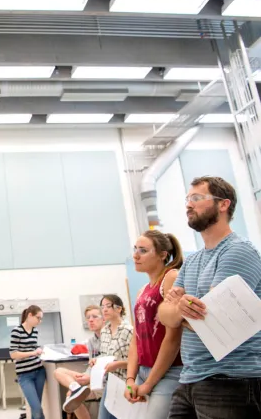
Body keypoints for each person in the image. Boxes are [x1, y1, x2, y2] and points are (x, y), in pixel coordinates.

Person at [158, 176, 261, 419]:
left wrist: (180, 308)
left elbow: (215, 318)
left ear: (223, 204)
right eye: (187, 199)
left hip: (230, 380)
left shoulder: (238, 250)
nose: (188, 205)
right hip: (191, 379)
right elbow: (165, 315)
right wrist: (184, 310)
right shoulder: (192, 260)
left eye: (196, 198)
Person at [123, 230, 184, 419]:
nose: (135, 255)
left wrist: (149, 384)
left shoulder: (171, 277)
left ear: (162, 255)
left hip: (169, 371)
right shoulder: (142, 290)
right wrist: (130, 379)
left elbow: (173, 338)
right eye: (135, 249)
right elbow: (136, 338)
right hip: (144, 370)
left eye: (143, 250)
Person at [54, 305, 104, 417]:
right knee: (58, 371)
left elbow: (110, 368)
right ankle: (76, 389)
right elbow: (92, 365)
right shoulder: (91, 341)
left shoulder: (108, 339)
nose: (91, 320)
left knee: (71, 397)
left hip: (100, 381)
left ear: (103, 319)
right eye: (88, 317)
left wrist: (90, 379)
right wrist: (86, 377)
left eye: (95, 316)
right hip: (89, 376)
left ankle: (75, 392)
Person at [97, 295, 133, 419]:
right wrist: (96, 361)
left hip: (126, 383)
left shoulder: (128, 330)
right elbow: (104, 355)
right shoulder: (104, 331)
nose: (104, 310)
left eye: (108, 306)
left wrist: (118, 364)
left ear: (119, 309)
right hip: (110, 383)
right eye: (102, 307)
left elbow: (137, 361)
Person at [10, 305, 46, 419]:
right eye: (38, 318)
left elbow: (33, 347)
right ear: (29, 315)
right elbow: (13, 354)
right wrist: (33, 352)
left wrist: (39, 350)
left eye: (41, 319)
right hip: (25, 375)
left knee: (37, 409)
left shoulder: (35, 331)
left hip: (39, 372)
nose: (39, 321)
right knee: (36, 408)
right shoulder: (17, 331)